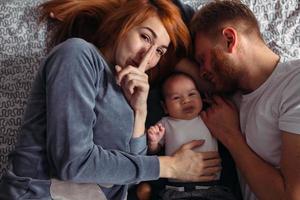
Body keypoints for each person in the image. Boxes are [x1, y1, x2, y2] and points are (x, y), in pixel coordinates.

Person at [0, 1, 221, 200]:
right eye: (145, 37)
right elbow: (73, 163)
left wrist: (140, 109)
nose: (147, 56)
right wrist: (170, 167)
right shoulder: (77, 55)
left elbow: (131, 177)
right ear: (123, 25)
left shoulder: (128, 92)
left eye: (159, 51)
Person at [190, 0, 300, 200]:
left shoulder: (294, 85)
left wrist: (231, 136)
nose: (202, 71)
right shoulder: (234, 95)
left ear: (229, 39)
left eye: (202, 59)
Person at [136, 70, 237, 200]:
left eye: (192, 94)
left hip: (212, 188)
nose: (186, 100)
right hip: (177, 191)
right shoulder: (166, 123)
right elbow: (155, 151)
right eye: (176, 98)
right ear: (165, 107)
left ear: (202, 97)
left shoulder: (208, 117)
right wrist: (154, 142)